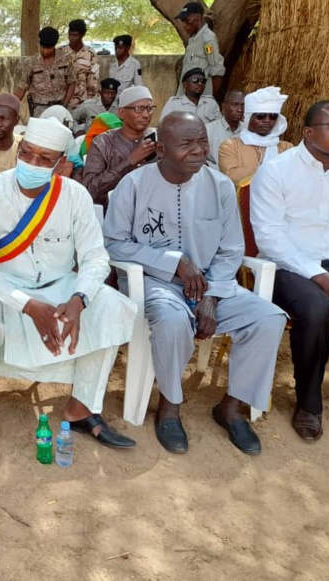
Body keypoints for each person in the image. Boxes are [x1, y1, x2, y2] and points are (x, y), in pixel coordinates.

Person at [0, 117, 138, 469]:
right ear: (19, 150)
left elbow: (96, 258)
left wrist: (79, 300)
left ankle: (81, 408)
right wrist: (28, 306)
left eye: (44, 158)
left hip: (58, 284)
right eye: (27, 153)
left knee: (112, 307)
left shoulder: (75, 196)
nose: (32, 164)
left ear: (61, 163)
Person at [103, 112, 287, 455]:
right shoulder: (134, 185)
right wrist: (174, 264)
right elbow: (114, 242)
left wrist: (212, 296)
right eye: (186, 143)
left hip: (212, 286)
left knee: (268, 318)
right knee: (172, 321)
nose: (198, 150)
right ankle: (170, 405)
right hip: (155, 284)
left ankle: (231, 407)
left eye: (202, 141)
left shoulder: (219, 186)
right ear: (160, 149)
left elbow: (232, 248)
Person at [250, 100, 329, 443]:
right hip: (288, 266)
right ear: (308, 132)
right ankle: (309, 402)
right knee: (317, 308)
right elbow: (269, 237)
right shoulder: (277, 170)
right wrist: (322, 278)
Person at [83, 86, 157, 207]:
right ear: (122, 113)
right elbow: (90, 189)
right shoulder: (102, 143)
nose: (146, 115)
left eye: (149, 109)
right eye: (139, 109)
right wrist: (130, 160)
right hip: (112, 211)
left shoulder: (159, 138)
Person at [218, 87, 293, 185]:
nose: (267, 120)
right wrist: (276, 174)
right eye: (260, 116)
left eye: (273, 116)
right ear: (248, 118)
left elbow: (294, 176)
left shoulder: (287, 148)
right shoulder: (230, 146)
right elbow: (232, 176)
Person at [14, 27, 75, 118]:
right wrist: (10, 106)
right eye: (43, 47)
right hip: (39, 108)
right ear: (39, 43)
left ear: (54, 45)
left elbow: (72, 82)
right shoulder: (32, 62)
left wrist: (65, 104)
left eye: (49, 48)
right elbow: (22, 88)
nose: (45, 50)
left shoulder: (65, 59)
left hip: (60, 106)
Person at [176, 2, 225, 97]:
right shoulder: (193, 40)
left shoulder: (207, 40)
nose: (184, 25)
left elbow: (217, 71)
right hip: (184, 98)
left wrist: (208, 99)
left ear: (197, 16)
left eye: (187, 20)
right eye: (182, 21)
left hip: (199, 101)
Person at [58, 19, 99, 109]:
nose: (71, 38)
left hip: (83, 103)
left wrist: (92, 103)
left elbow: (93, 81)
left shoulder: (90, 54)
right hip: (63, 102)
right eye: (70, 35)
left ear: (82, 35)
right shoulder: (60, 52)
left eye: (75, 35)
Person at [206, 90, 244, 167]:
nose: (240, 109)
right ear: (223, 106)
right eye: (235, 104)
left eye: (243, 105)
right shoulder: (208, 129)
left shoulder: (248, 130)